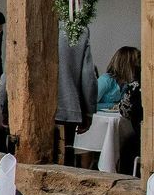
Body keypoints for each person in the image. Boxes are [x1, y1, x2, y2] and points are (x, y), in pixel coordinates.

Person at [55, 30, 97, 164]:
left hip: (27, 109)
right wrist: (88, 111)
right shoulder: (77, 31)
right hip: (67, 105)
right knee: (64, 159)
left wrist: (4, 106)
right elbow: (88, 76)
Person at [97, 46, 138, 111]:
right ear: (127, 65)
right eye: (136, 63)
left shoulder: (126, 84)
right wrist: (114, 105)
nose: (138, 66)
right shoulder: (105, 80)